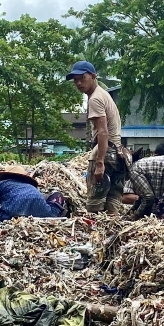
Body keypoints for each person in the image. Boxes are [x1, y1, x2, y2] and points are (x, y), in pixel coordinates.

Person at [67, 60, 127, 214]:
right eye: (75, 80)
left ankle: (95, 237)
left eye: (82, 78)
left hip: (104, 152)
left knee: (94, 208)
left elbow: (103, 132)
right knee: (112, 205)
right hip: (117, 153)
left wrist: (99, 163)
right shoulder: (104, 94)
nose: (79, 83)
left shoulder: (95, 98)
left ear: (93, 76)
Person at [0, 168, 65, 221]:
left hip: (12, 214)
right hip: (41, 212)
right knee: (57, 195)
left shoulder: (3, 183)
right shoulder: (30, 187)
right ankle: (55, 215)